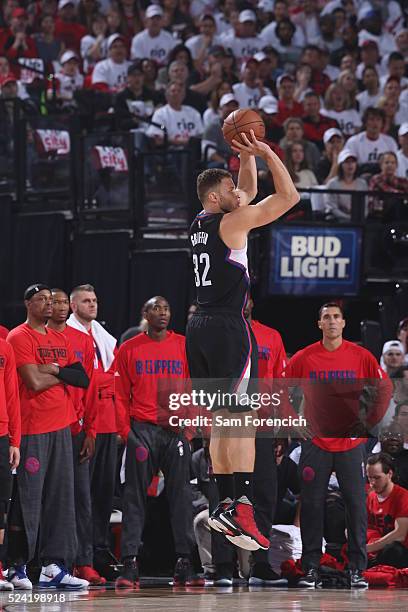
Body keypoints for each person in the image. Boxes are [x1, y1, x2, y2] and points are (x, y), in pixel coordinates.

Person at [186, 132, 299, 552]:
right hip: (229, 326)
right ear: (217, 198)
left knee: (222, 419)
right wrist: (269, 152)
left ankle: (224, 504)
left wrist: (245, 158)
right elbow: (287, 197)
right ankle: (244, 505)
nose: (239, 192)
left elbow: (247, 191)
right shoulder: (233, 221)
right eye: (230, 189)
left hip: (199, 326)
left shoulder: (200, 222)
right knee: (245, 419)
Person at [282, 302, 392, 589]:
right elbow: (276, 387)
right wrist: (292, 421)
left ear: (343, 323)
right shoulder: (305, 357)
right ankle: (310, 569)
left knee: (356, 506)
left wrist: (368, 421)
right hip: (315, 443)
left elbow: (385, 388)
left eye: (336, 317)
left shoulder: (361, 355)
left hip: (350, 445)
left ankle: (357, 570)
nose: (331, 322)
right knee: (312, 507)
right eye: (326, 318)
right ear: (319, 324)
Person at [114, 296, 201, 588]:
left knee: (181, 498)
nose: (162, 313)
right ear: (145, 313)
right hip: (143, 430)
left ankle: (185, 561)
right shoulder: (129, 349)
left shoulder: (184, 345)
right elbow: (119, 393)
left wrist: (190, 431)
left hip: (175, 430)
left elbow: (193, 387)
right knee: (134, 498)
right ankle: (129, 563)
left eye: (166, 308)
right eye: (156, 308)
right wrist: (126, 432)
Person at [6, 284, 89, 590]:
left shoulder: (59, 338)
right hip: (33, 427)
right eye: (40, 299)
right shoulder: (18, 337)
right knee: (29, 499)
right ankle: (17, 565)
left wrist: (52, 369)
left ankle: (53, 566)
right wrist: (59, 373)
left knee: (61, 499)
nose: (48, 304)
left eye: (51, 300)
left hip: (61, 426)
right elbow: (33, 382)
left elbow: (81, 377)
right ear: (28, 303)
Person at [47, 289, 104, 586]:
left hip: (78, 428)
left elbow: (91, 388)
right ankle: (51, 562)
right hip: (49, 426)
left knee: (82, 497)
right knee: (52, 496)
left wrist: (91, 430)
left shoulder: (84, 341)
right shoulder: (42, 337)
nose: (55, 307)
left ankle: (84, 561)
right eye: (51, 302)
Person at [67, 284, 119, 581]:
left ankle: (97, 551)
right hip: (84, 422)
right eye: (86, 301)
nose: (92, 305)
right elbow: (90, 379)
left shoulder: (103, 336)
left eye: (95, 300)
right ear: (74, 306)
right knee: (82, 496)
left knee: (103, 495)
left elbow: (113, 377)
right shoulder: (71, 336)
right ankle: (79, 556)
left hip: (108, 421)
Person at [0, 336, 20, 591]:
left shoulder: (4, 345)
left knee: (1, 505)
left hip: (2, 435)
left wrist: (14, 439)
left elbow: (12, 393)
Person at [366, 452, 408, 568]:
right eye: (369, 478)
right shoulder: (371, 496)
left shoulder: (403, 497)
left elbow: (400, 534)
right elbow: (365, 525)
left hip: (398, 550)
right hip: (376, 547)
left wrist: (367, 548)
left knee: (394, 550)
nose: (372, 483)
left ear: (389, 474)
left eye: (377, 478)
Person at [324, 149, 367, 222]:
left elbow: (365, 207)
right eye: (347, 162)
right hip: (338, 222)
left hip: (359, 222)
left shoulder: (362, 184)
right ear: (341, 165)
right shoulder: (332, 184)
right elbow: (332, 207)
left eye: (353, 162)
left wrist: (359, 218)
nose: (350, 165)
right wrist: (347, 218)